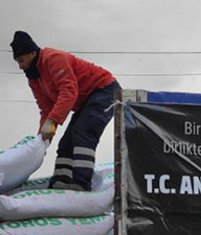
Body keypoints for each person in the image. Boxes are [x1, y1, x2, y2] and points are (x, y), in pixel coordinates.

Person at [10, 31, 121, 191]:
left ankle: (82, 183)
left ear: (33, 53)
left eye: (21, 60)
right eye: (17, 62)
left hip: (104, 91)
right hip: (86, 101)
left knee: (83, 133)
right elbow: (46, 109)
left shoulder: (54, 59)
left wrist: (52, 123)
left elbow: (68, 92)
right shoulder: (34, 78)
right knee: (66, 142)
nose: (20, 66)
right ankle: (60, 181)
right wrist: (43, 139)